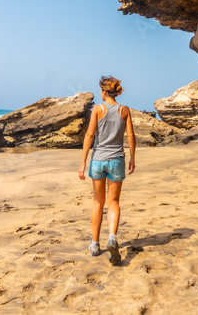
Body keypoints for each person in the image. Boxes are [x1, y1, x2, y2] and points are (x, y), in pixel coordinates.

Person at [78, 75, 136, 265]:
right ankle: (112, 237)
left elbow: (89, 135)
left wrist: (83, 162)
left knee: (97, 202)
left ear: (104, 91)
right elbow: (131, 137)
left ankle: (95, 244)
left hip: (98, 160)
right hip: (117, 160)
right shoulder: (124, 110)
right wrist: (133, 159)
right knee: (114, 202)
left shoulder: (98, 109)